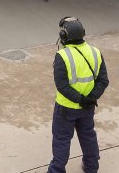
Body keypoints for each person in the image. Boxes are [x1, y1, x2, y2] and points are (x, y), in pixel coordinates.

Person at [49, 17, 109, 173]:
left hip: (65, 109)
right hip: (87, 108)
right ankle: (91, 167)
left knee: (62, 141)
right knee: (88, 136)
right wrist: (90, 99)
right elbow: (103, 81)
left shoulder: (62, 56)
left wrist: (80, 100)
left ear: (64, 37)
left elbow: (62, 86)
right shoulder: (96, 52)